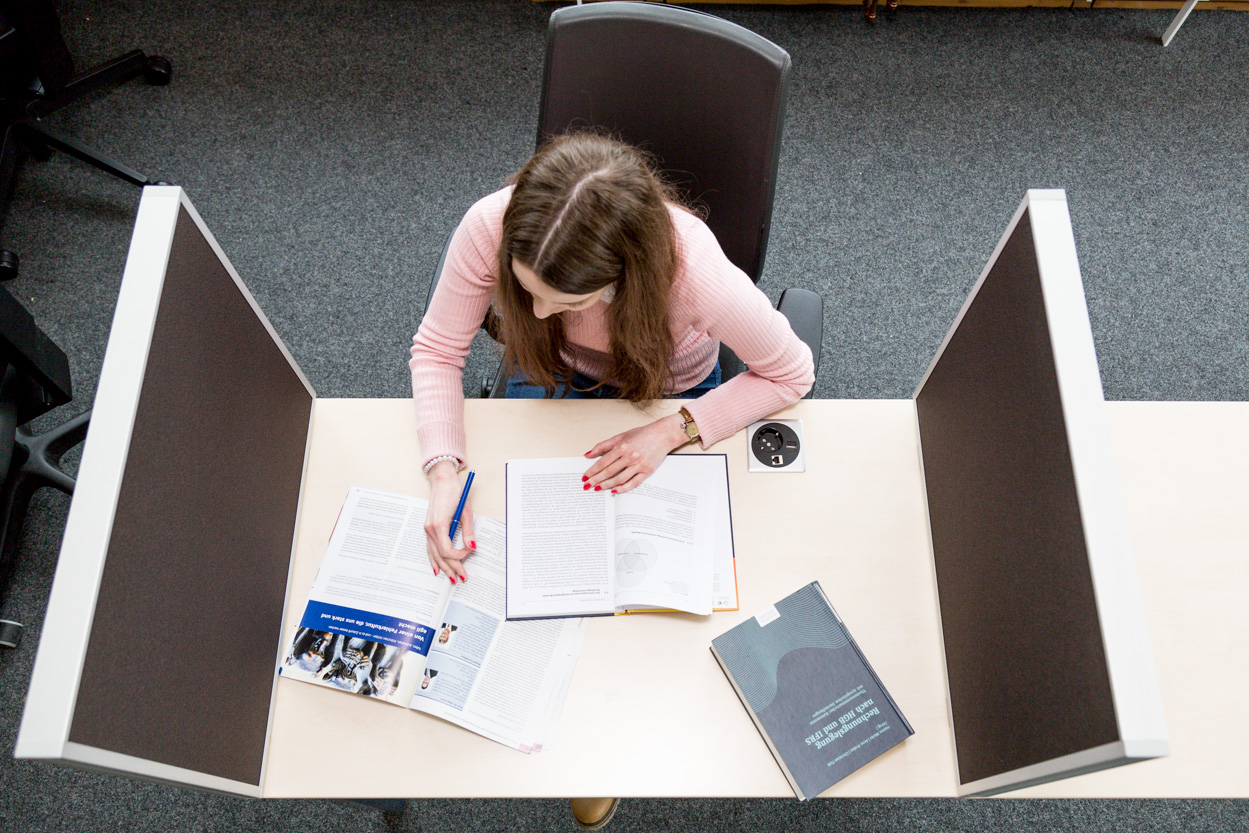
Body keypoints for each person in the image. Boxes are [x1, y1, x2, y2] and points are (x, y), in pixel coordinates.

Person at [410, 132, 814, 585]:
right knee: (519, 532)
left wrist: (670, 430)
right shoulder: (489, 225)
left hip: (672, 385)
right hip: (553, 366)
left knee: (665, 556)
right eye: (527, 291)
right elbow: (438, 351)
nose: (539, 313)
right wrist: (443, 471)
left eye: (570, 302)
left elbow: (792, 373)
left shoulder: (695, 271)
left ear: (623, 278)